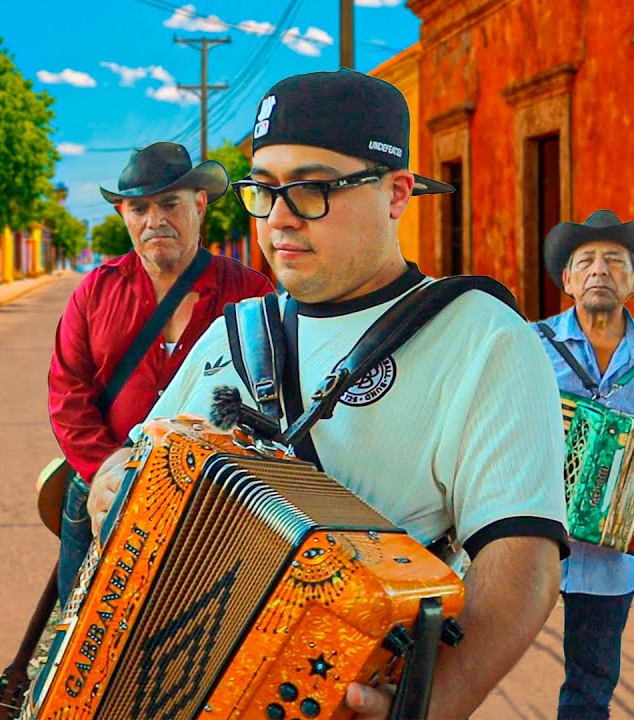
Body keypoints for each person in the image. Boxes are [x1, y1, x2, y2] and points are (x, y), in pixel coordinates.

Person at [85, 69, 570, 720]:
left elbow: (523, 555)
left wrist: (429, 705)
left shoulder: (479, 337)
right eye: (265, 189)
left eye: (312, 189)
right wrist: (108, 485)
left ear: (397, 193)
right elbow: (141, 468)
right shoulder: (231, 335)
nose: (279, 219)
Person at [47, 141, 272, 599]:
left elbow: (276, 399)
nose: (154, 221)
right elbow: (68, 393)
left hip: (214, 506)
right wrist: (105, 468)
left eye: (169, 203)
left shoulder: (251, 292)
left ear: (200, 203)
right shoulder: (95, 292)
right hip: (107, 488)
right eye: (138, 208)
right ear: (125, 216)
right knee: (77, 626)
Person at [534, 210, 634, 719]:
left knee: (591, 684)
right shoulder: (531, 345)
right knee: (467, 652)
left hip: (611, 558)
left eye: (614, 261)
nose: (599, 270)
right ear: (567, 280)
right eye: (586, 261)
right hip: (528, 539)